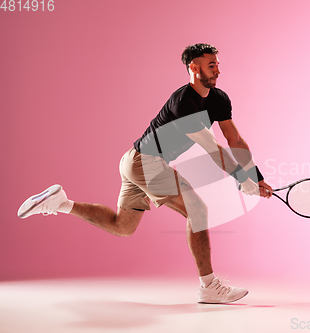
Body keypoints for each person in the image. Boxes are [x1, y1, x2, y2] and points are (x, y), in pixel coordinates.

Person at [17, 43, 273, 304]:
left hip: (134, 159)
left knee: (122, 226)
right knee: (197, 210)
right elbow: (212, 147)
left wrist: (256, 177)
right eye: (211, 65)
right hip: (147, 162)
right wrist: (242, 179)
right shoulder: (183, 103)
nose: (218, 69)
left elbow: (235, 139)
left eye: (218, 64)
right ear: (194, 68)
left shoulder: (219, 99)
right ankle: (208, 286)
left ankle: (60, 202)